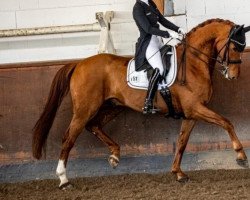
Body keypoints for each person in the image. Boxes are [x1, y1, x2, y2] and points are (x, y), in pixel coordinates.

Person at [133, 0, 185, 114]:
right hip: (148, 43)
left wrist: (177, 29)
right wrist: (168, 34)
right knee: (159, 69)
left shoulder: (151, 3)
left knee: (170, 61)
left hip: (158, 40)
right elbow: (148, 29)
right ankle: (148, 103)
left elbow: (162, 20)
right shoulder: (138, 8)